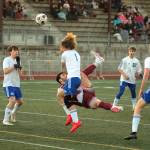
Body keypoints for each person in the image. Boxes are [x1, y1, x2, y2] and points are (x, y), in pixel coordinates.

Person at [124, 57, 150, 140]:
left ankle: (134, 133)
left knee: (138, 106)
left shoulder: (148, 59)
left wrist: (141, 89)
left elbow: (146, 75)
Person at [60, 32, 81, 132]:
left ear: (65, 46)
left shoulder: (64, 54)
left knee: (68, 100)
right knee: (60, 94)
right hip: (76, 78)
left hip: (72, 78)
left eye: (61, 47)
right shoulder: (76, 53)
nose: (61, 49)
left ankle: (76, 121)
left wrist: (63, 74)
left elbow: (62, 66)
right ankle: (69, 115)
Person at [2, 45, 23, 125]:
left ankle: (13, 112)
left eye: (17, 50)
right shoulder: (7, 60)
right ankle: (5, 120)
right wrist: (14, 66)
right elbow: (5, 71)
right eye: (15, 50)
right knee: (12, 100)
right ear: (10, 52)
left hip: (16, 84)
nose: (17, 52)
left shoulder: (18, 60)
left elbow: (21, 74)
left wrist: (19, 68)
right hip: (8, 84)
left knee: (20, 102)